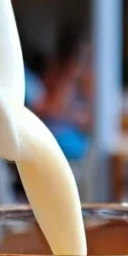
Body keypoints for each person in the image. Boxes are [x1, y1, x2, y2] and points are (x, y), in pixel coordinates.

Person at [34, 28, 91, 161]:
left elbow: (88, 120)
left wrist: (66, 115)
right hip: (51, 135)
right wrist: (68, 78)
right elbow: (46, 108)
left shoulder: (88, 82)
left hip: (71, 140)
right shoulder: (54, 76)